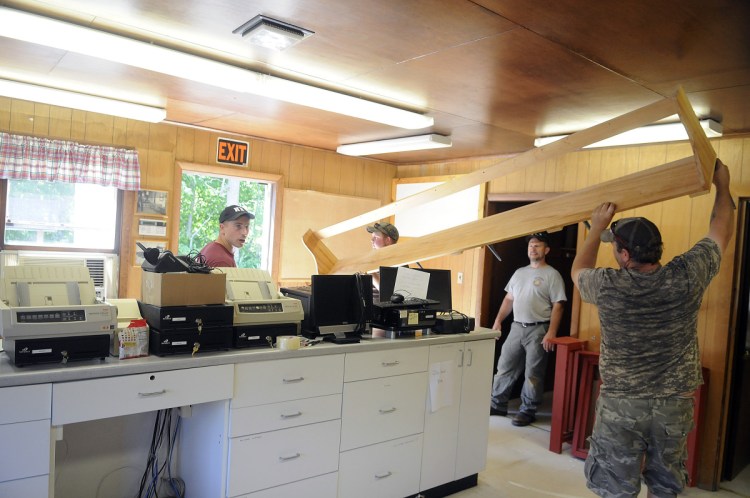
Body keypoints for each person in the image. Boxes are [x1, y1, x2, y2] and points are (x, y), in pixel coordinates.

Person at [570, 158, 734, 498]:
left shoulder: (608, 286)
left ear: (625, 255)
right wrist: (723, 186)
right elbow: (720, 230)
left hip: (621, 405)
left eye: (615, 248)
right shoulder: (686, 276)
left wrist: (594, 228)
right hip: (673, 405)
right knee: (665, 486)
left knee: (615, 487)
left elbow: (578, 271)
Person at [489, 232, 567, 426]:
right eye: (531, 245)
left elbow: (559, 304)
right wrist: (498, 320)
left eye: (538, 245)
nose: (533, 248)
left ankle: (528, 410)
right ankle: (497, 404)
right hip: (516, 326)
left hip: (539, 329)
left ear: (546, 250)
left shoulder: (552, 274)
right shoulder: (519, 272)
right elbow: (509, 299)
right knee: (504, 367)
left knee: (533, 373)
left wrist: (552, 332)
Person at [366, 222, 399, 292]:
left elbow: (389, 294)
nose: (371, 240)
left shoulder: (399, 263)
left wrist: (371, 273)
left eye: (375, 237)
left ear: (387, 240)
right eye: (372, 237)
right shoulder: (374, 261)